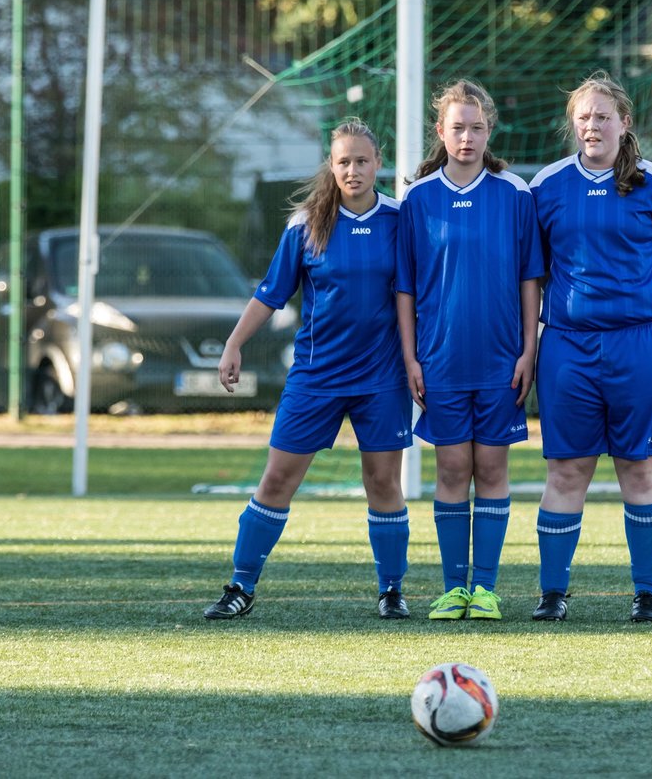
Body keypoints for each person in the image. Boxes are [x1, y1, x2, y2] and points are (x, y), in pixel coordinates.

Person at [204, 118, 415, 620]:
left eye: (362, 161)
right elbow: (270, 294)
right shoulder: (307, 224)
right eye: (343, 162)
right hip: (316, 377)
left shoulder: (400, 220)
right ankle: (241, 585)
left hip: (382, 379)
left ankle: (391, 590)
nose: (353, 170)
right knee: (276, 480)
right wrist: (234, 343)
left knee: (383, 483)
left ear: (377, 164)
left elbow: (415, 296)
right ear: (332, 165)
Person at [528, 71, 652, 623]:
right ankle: (553, 594)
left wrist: (631, 307)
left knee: (640, 469)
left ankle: (646, 594)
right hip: (568, 349)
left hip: (641, 347)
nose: (592, 126)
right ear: (573, 125)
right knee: (567, 471)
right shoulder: (545, 187)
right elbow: (535, 272)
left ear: (625, 123)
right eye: (583, 118)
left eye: (602, 116)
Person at [396, 79, 544, 621]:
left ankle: (485, 588)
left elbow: (532, 278)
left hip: (502, 360)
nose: (467, 137)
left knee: (492, 469)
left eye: (477, 128)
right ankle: (453, 587)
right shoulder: (418, 197)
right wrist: (411, 358)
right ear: (441, 131)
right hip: (440, 360)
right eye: (457, 127)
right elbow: (405, 288)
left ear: (490, 131)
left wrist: (530, 350)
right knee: (453, 470)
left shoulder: (515, 192)